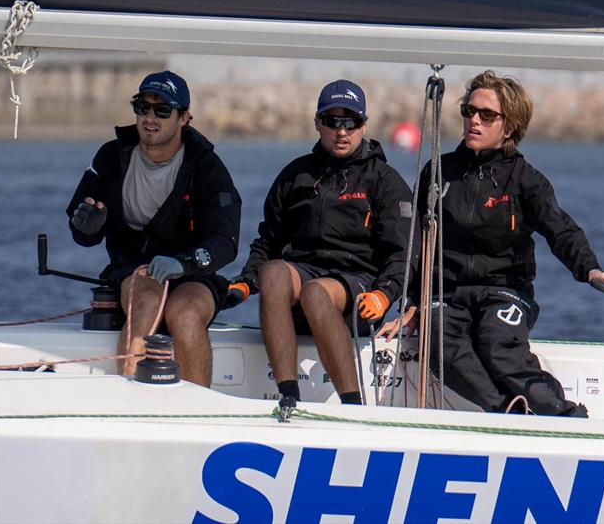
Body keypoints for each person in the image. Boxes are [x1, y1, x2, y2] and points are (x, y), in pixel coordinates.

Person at [380, 70, 604, 417]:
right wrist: (413, 302)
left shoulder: (526, 181)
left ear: (509, 127)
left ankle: (562, 415)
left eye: (486, 115)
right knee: (434, 339)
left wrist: (591, 270)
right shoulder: (438, 172)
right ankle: (505, 411)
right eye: (469, 111)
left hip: (505, 291)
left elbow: (561, 230)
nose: (473, 121)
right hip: (447, 293)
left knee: (496, 347)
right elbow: (416, 241)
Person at [230, 79, 413, 406]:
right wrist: (245, 282)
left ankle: (353, 403)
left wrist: (386, 294)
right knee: (272, 273)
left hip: (357, 287)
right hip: (303, 278)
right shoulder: (295, 175)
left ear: (364, 125)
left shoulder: (384, 181)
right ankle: (288, 396)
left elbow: (403, 252)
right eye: (332, 121)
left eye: (351, 122)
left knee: (317, 292)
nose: (341, 131)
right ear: (317, 123)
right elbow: (267, 241)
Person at [67, 70, 242, 387]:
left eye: (162, 110)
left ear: (184, 118)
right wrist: (89, 226)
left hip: (192, 273)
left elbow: (225, 241)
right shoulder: (111, 156)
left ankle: (196, 413)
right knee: (146, 298)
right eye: (142, 107)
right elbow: (82, 232)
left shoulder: (206, 166)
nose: (150, 117)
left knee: (186, 314)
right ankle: (129, 405)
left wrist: (184, 263)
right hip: (133, 270)